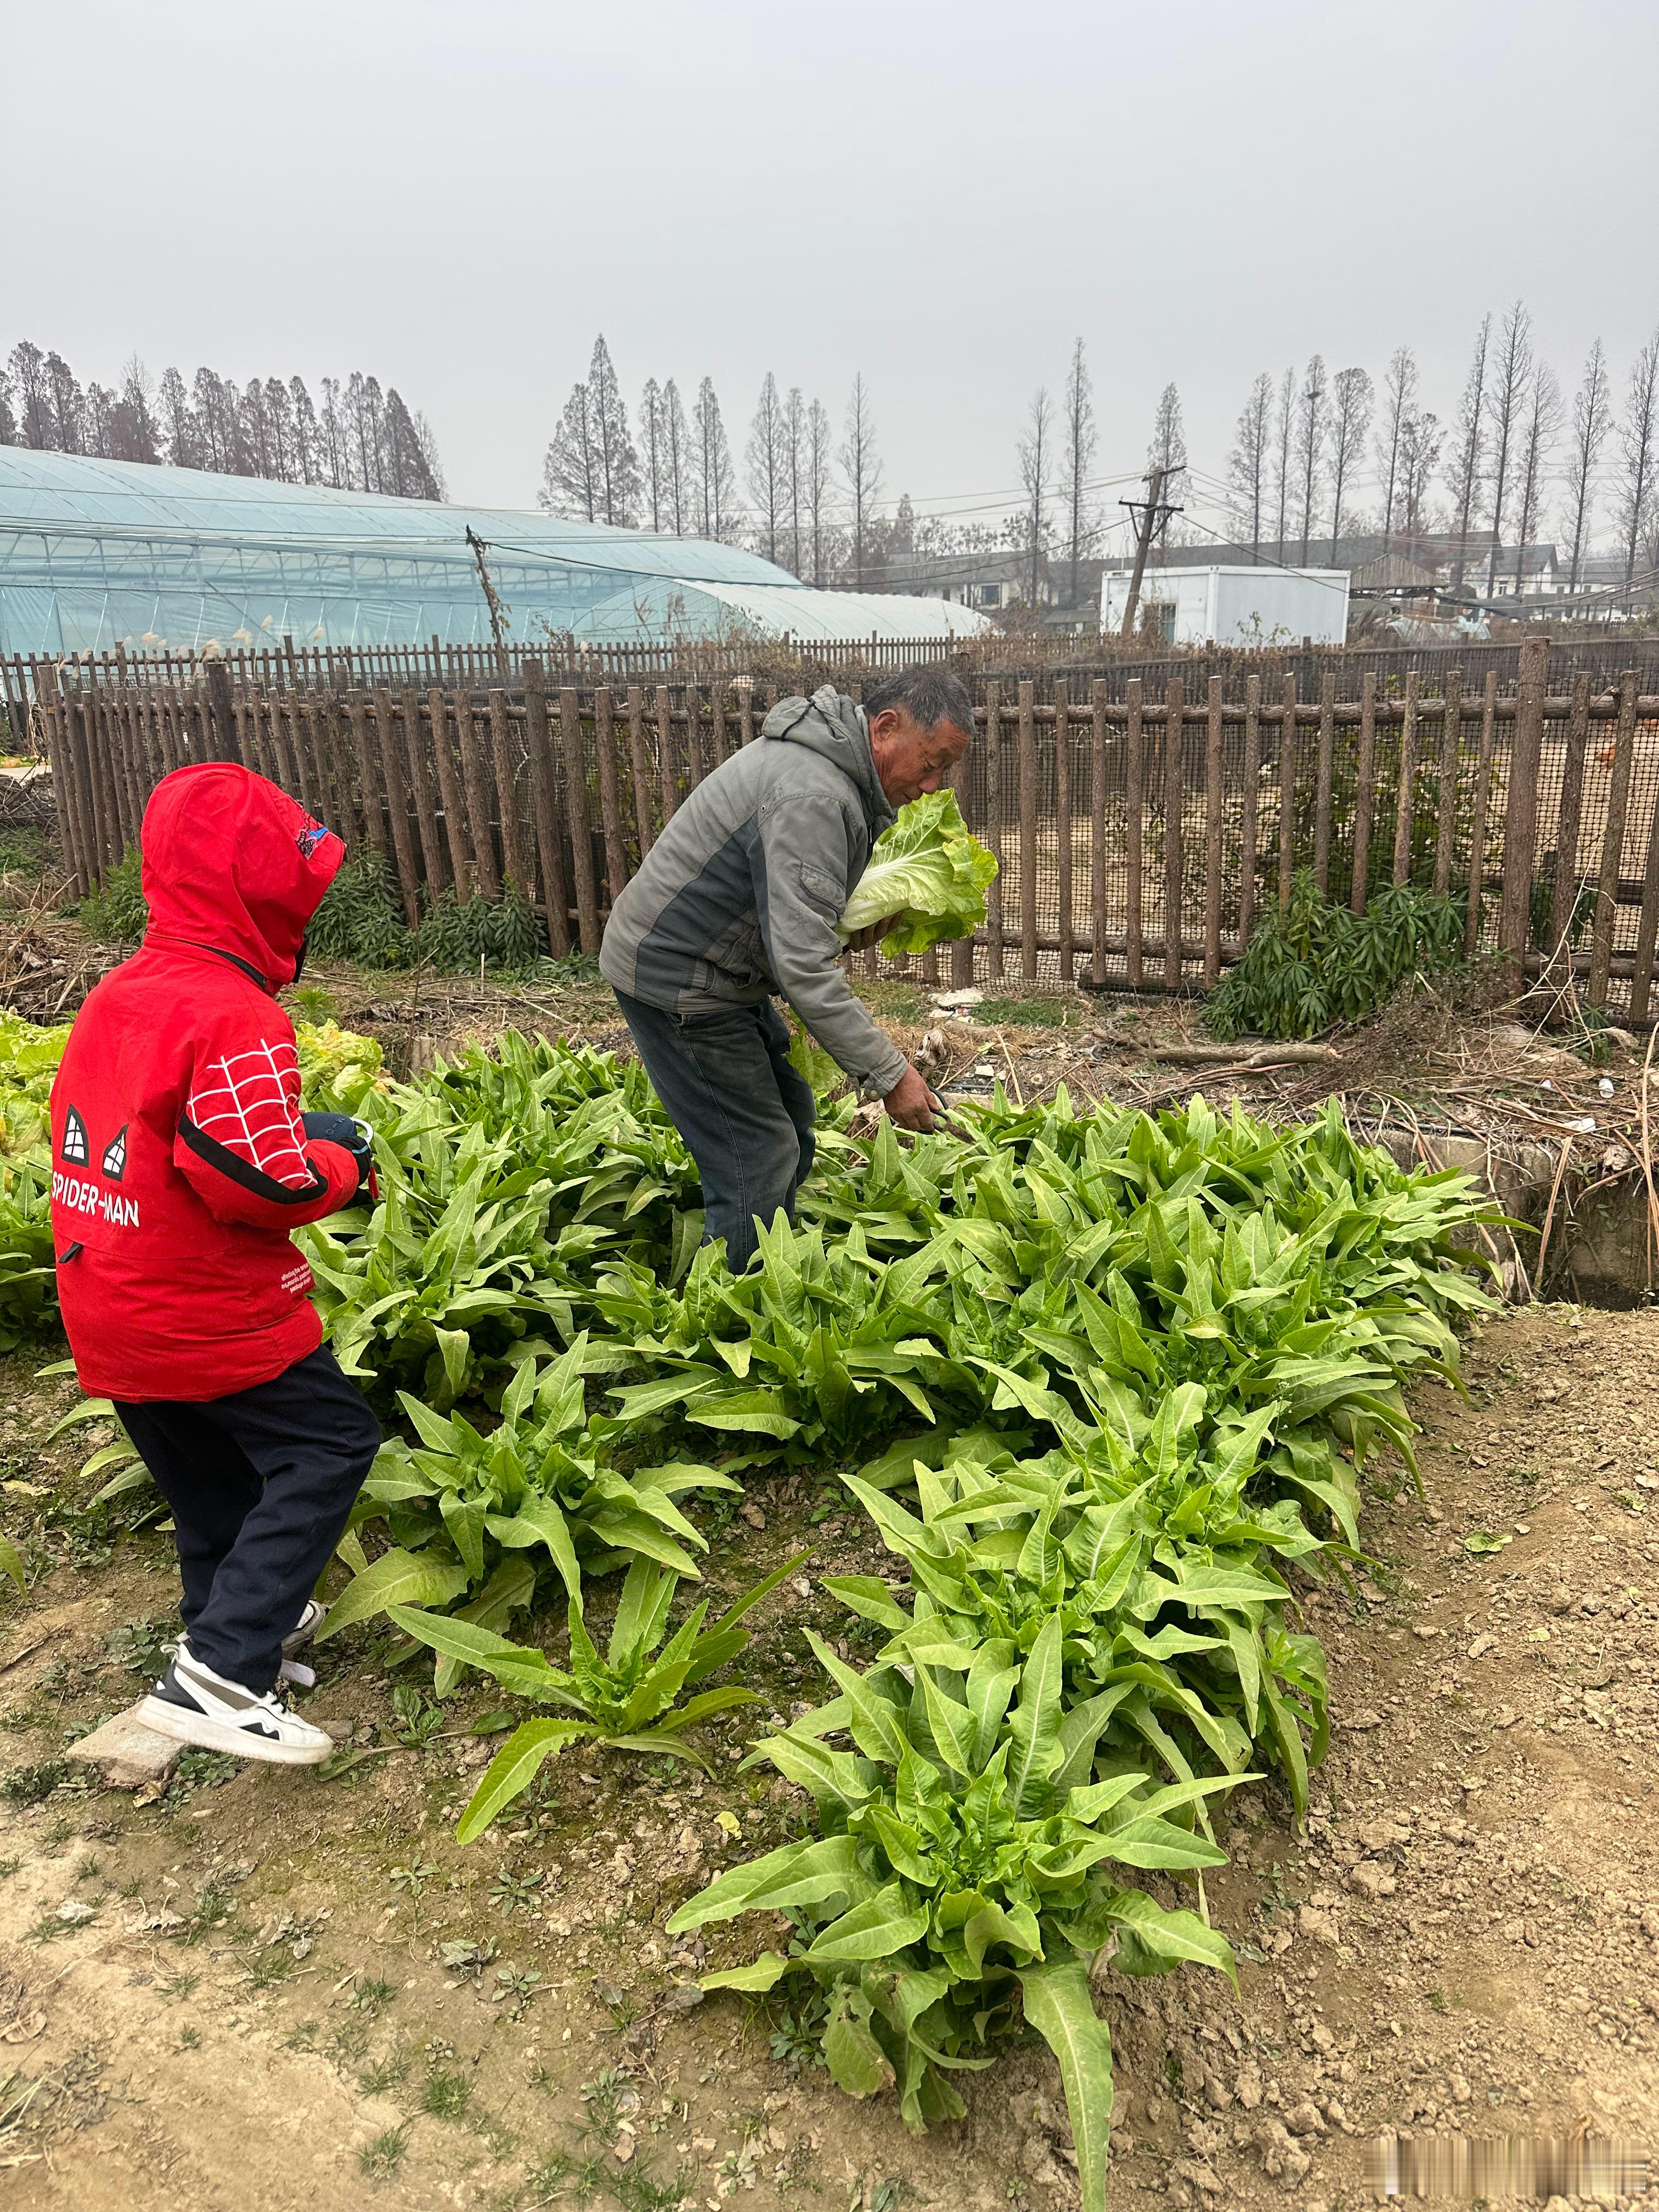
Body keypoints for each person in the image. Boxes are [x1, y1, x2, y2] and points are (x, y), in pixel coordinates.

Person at [48, 761, 381, 1766]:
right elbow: (258, 1185)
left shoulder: (123, 992)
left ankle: (230, 1620)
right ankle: (223, 1673)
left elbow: (166, 1140)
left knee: (206, 1479)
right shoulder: (234, 1012)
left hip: (108, 1298)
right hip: (205, 1311)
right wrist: (343, 1166)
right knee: (329, 1443)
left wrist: (297, 1133)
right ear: (259, 886)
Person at [600, 663, 974, 1272]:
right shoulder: (815, 794)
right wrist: (891, 1075)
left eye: (944, 771)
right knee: (759, 1156)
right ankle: (732, 1304)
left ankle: (764, 1254)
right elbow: (802, 964)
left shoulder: (835, 775)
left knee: (793, 1119)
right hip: (678, 978)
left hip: (716, 969)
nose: (933, 786)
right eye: (932, 763)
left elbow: (788, 920)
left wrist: (847, 930)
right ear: (885, 728)